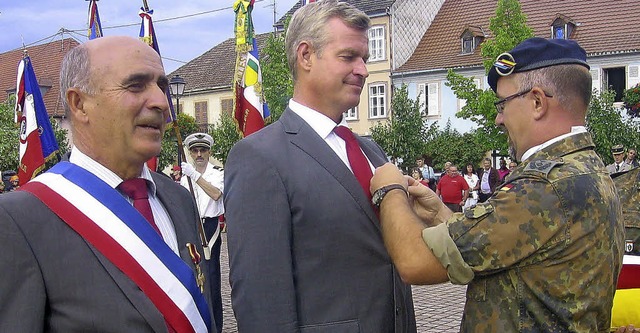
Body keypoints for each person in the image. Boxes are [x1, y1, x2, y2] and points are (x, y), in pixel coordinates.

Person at [369, 37, 625, 332]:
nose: (497, 119)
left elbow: (414, 261)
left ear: (537, 102)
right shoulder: (587, 169)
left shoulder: (544, 185)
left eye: (502, 104)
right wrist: (440, 212)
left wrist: (389, 189)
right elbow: (508, 246)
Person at [224, 1, 416, 332]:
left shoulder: (372, 152)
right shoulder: (259, 157)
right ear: (306, 56)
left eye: (365, 59)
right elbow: (261, 300)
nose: (363, 70)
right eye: (348, 57)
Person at [0, 36, 214, 332]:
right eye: (136, 85)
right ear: (79, 104)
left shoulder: (178, 199)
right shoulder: (20, 219)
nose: (162, 103)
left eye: (162, 86)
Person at [180, 132, 225, 333]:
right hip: (191, 227)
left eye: (203, 150)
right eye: (195, 150)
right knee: (194, 277)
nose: (199, 154)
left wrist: (194, 176)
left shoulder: (217, 173)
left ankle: (217, 326)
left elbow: (216, 194)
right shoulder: (184, 177)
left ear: (209, 152)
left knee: (212, 278)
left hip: (209, 228)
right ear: (190, 153)